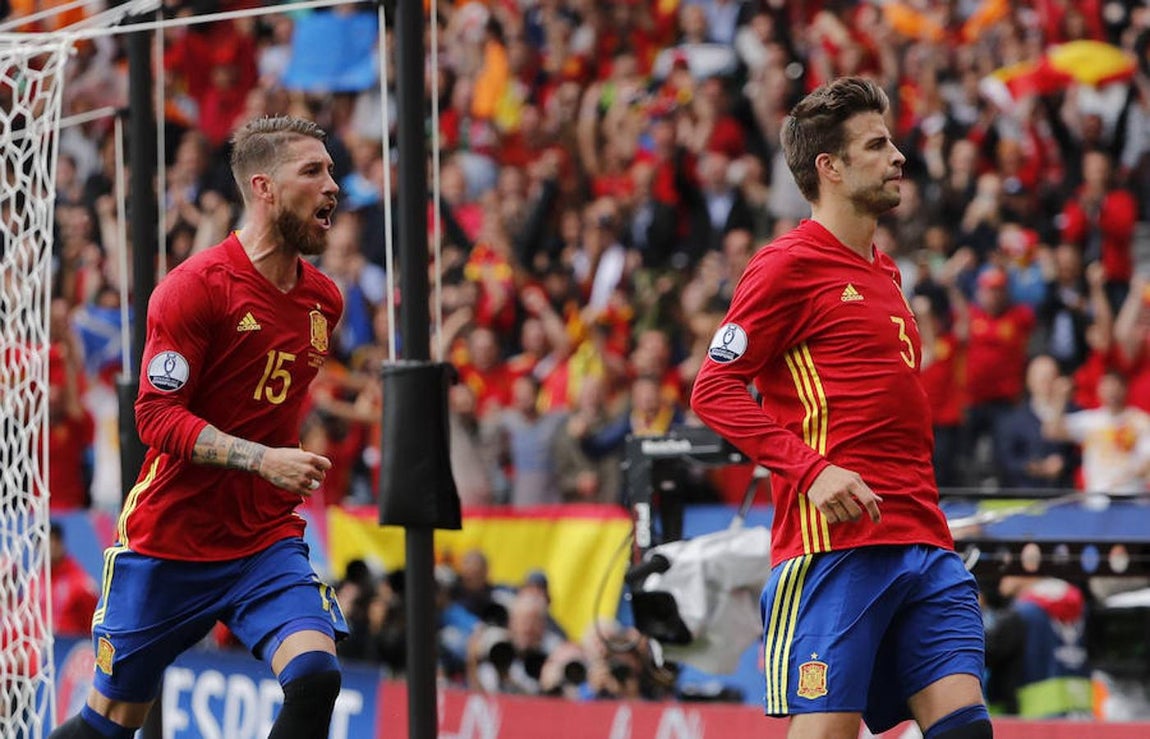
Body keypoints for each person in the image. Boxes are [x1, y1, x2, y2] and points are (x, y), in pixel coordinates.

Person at [690, 77, 990, 739]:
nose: (897, 157)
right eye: (876, 144)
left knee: (966, 729)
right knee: (829, 732)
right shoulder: (784, 265)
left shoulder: (886, 274)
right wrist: (812, 470)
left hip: (923, 537)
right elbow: (712, 389)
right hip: (836, 546)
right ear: (830, 167)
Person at [50, 115, 347, 739]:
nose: (333, 186)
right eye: (313, 171)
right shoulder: (196, 288)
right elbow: (155, 415)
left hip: (264, 536)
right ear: (263, 188)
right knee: (110, 724)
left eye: (331, 170)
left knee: (316, 675)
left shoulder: (324, 302)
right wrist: (264, 459)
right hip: (170, 543)